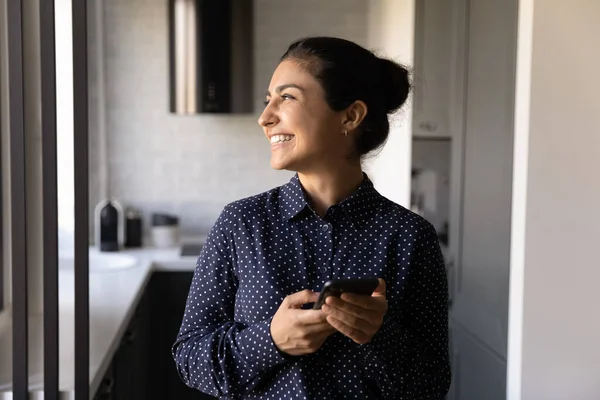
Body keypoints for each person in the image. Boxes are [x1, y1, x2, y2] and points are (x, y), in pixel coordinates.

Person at [172, 36, 451, 399]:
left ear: (350, 116)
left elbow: (432, 385)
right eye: (267, 100)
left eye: (286, 97)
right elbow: (189, 359)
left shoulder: (411, 237)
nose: (265, 117)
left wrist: (379, 337)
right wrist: (271, 340)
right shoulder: (240, 224)